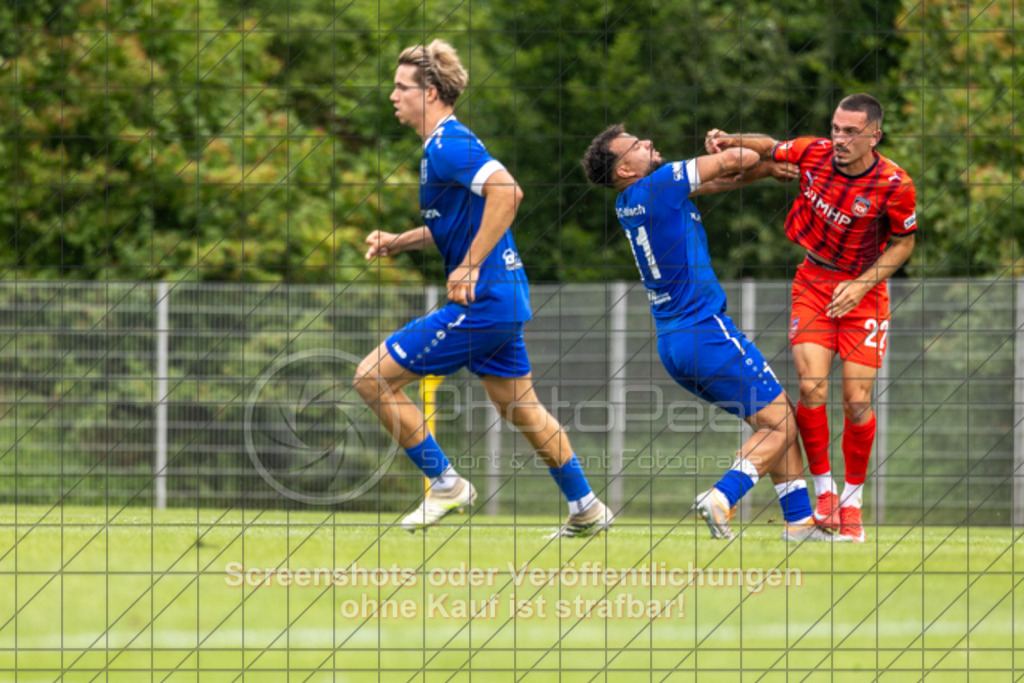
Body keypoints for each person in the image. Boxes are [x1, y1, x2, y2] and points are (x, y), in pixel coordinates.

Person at [354, 40, 614, 537]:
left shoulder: (451, 144)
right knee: (521, 409)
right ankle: (587, 507)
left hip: (484, 300)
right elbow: (456, 225)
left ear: (430, 93)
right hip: (504, 298)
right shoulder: (439, 150)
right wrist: (399, 242)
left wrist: (469, 267)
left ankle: (446, 483)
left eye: (401, 87)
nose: (392, 95)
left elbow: (508, 192)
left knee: (372, 378)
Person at [581, 124, 839, 543]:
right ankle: (722, 496)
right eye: (635, 145)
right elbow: (738, 162)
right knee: (783, 423)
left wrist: (770, 170)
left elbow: (722, 180)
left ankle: (799, 522)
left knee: (774, 419)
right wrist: (738, 144)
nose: (647, 141)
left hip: (677, 344)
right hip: (706, 332)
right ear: (626, 169)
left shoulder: (635, 199)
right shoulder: (661, 183)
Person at [705, 93, 917, 542]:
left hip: (865, 291)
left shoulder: (895, 184)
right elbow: (770, 147)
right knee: (810, 387)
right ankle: (824, 493)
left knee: (857, 401)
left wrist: (860, 285)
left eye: (850, 132)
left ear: (873, 136)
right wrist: (729, 139)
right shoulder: (814, 153)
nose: (839, 138)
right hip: (814, 282)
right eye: (836, 128)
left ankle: (852, 502)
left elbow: (903, 244)